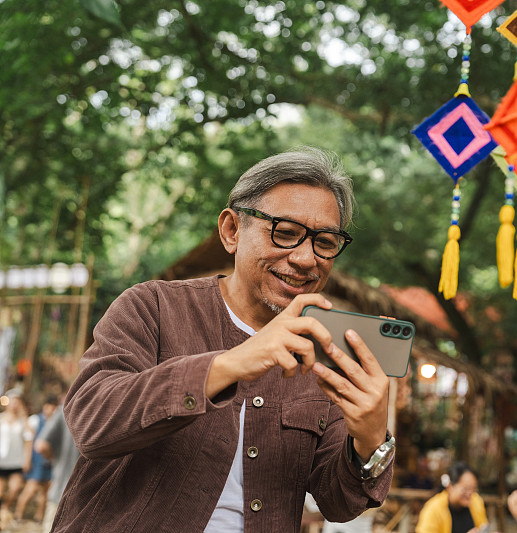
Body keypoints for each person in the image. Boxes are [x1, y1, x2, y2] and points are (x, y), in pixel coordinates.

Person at [53, 147, 396, 532]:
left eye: (326, 242)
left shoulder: (326, 352)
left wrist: (369, 442)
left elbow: (338, 503)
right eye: (285, 233)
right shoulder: (152, 307)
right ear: (232, 231)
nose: (305, 259)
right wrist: (230, 364)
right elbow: (91, 423)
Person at [34, 400, 80, 533]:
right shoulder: (111, 407)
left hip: (61, 489)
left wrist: (55, 460)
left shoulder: (66, 409)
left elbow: (41, 445)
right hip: (91, 496)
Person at [14, 395, 57, 523]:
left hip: (50, 461)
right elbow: (29, 442)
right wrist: (27, 460)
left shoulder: (55, 421)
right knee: (30, 488)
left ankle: (39, 517)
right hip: (36, 460)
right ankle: (18, 515)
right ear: (44, 406)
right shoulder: (35, 420)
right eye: (49, 407)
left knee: (45, 491)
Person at [416, 462, 489, 533]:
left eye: (473, 488)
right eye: (465, 489)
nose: (470, 493)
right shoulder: (433, 508)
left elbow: (483, 526)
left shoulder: (476, 501)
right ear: (450, 486)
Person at [0, 392, 31, 527]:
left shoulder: (23, 421)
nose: (14, 404)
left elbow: (29, 441)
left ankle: (5, 507)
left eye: (17, 401)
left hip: (16, 461)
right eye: (12, 401)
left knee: (15, 488)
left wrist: (27, 460)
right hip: (1, 461)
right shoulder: (1, 419)